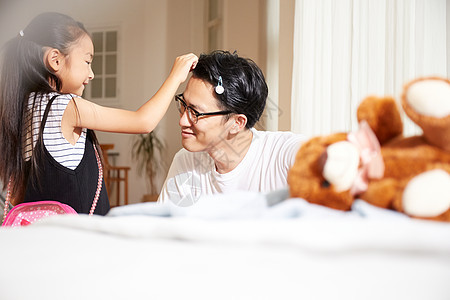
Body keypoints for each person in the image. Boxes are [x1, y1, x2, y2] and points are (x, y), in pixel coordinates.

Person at [0, 12, 197, 215]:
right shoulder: (67, 107)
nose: (91, 74)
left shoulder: (23, 109)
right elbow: (143, 122)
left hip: (46, 238)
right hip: (79, 239)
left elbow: (18, 195)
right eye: (87, 62)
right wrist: (176, 76)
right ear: (55, 60)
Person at [158, 50, 306, 207]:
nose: (182, 121)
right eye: (183, 104)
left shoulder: (283, 154)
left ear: (237, 123)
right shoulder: (186, 162)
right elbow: (164, 227)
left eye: (195, 112)